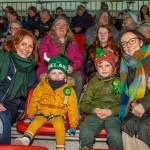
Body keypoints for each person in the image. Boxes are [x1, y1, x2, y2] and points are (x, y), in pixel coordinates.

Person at [14, 55, 78, 150]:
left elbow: (72, 107)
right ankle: (26, 139)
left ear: (65, 75)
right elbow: (34, 100)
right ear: (48, 74)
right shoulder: (42, 85)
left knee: (59, 125)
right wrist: (30, 115)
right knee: (36, 121)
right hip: (42, 112)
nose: (57, 75)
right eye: (53, 73)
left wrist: (73, 124)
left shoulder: (68, 89)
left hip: (58, 114)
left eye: (60, 73)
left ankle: (60, 147)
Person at [0, 29, 38, 144]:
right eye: (23, 44)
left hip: (10, 105)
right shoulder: (3, 58)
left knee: (3, 117)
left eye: (30, 46)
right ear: (15, 44)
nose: (26, 49)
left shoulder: (30, 69)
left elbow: (36, 89)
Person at [79, 48, 123, 149]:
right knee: (85, 132)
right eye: (100, 66)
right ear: (96, 68)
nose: (104, 69)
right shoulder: (93, 82)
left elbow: (125, 104)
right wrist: (94, 110)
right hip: (95, 115)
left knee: (115, 135)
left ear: (114, 67)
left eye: (107, 65)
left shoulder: (119, 81)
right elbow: (84, 103)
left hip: (114, 116)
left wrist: (111, 111)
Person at [37, 16, 84, 101]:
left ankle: (73, 105)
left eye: (64, 25)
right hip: (50, 68)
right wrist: (57, 66)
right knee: (50, 77)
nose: (61, 27)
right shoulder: (46, 39)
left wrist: (73, 67)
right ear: (53, 28)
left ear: (67, 28)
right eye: (58, 24)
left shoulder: (72, 42)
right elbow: (43, 56)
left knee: (78, 78)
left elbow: (79, 58)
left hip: (68, 70)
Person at [119, 30, 150, 150]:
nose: (128, 45)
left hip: (146, 108)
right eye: (124, 43)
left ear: (141, 42)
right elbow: (127, 95)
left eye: (132, 41)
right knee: (127, 125)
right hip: (136, 112)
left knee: (144, 127)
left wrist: (144, 104)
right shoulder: (125, 66)